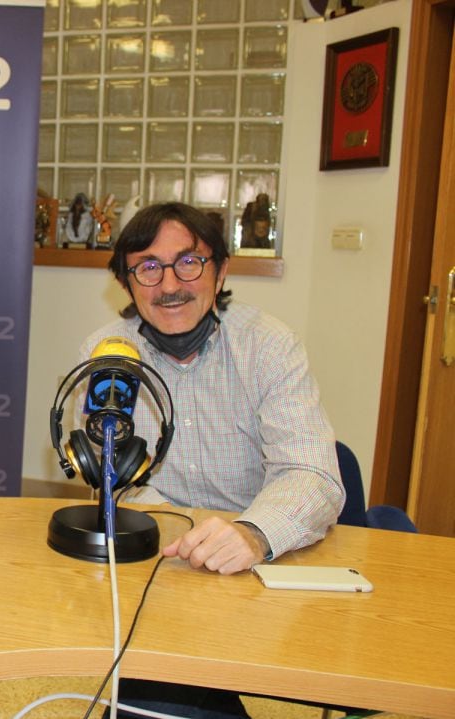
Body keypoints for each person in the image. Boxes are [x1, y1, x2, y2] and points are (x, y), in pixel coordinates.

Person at [82, 202, 344, 718]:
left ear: (221, 270)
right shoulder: (108, 355)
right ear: (127, 283)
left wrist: (252, 532)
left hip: (265, 567)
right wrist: (186, 534)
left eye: (188, 262)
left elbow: (314, 474)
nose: (169, 284)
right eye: (148, 268)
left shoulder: (268, 345)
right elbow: (112, 475)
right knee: (150, 698)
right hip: (168, 566)